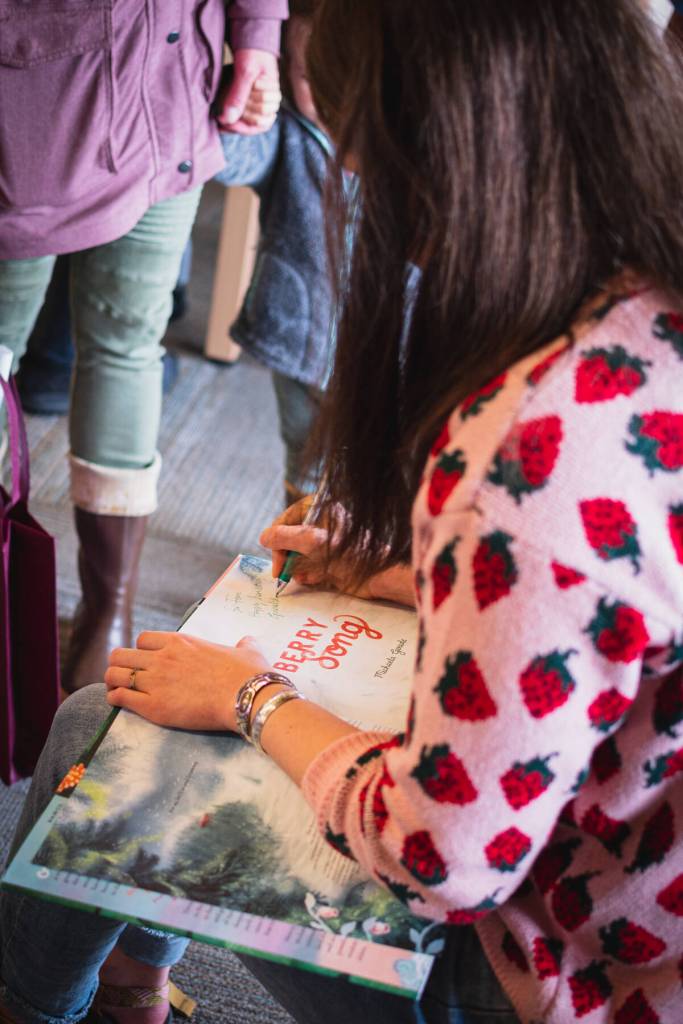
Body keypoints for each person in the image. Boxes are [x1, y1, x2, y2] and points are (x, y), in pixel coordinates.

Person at [2, 1, 683, 1023]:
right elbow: (613, 595)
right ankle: (128, 992)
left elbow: (439, 860)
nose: (349, 173)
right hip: (636, 896)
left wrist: (251, 697)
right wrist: (405, 572)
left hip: (564, 970)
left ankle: (36, 1003)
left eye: (354, 135)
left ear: (445, 145)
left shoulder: (525, 447)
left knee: (97, 724)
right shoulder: (646, 311)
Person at [0, 1, 287, 695]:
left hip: (171, 84)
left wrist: (257, 32)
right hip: (36, 92)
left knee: (129, 340)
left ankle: (110, 609)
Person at [215, 0, 333, 505]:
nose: (329, 93)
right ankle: (300, 539)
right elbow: (234, 162)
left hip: (394, 342)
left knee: (389, 457)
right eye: (309, 78)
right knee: (307, 451)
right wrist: (241, 107)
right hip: (301, 335)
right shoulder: (289, 132)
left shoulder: (402, 140)